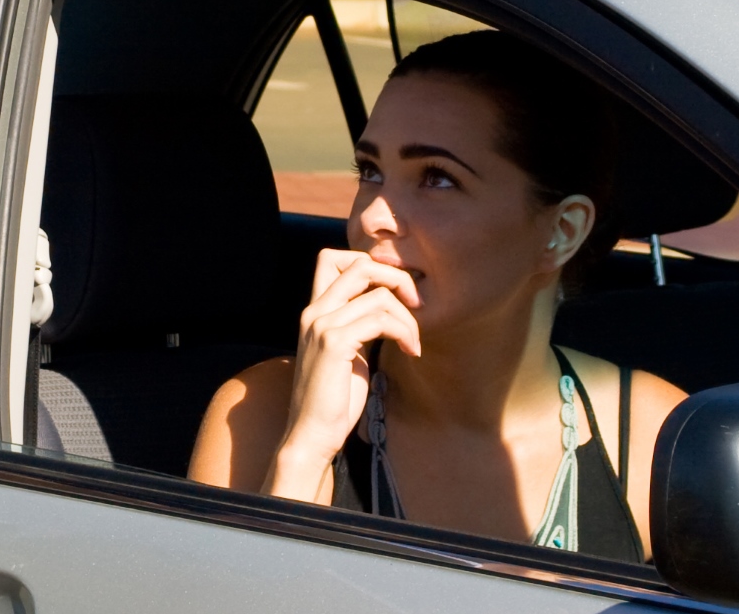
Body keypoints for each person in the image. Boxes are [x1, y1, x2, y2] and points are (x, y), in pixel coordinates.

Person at [189, 31, 684, 558]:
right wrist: (307, 450)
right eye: (370, 171)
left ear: (561, 230)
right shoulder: (260, 411)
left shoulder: (651, 437)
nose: (372, 217)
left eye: (437, 179)